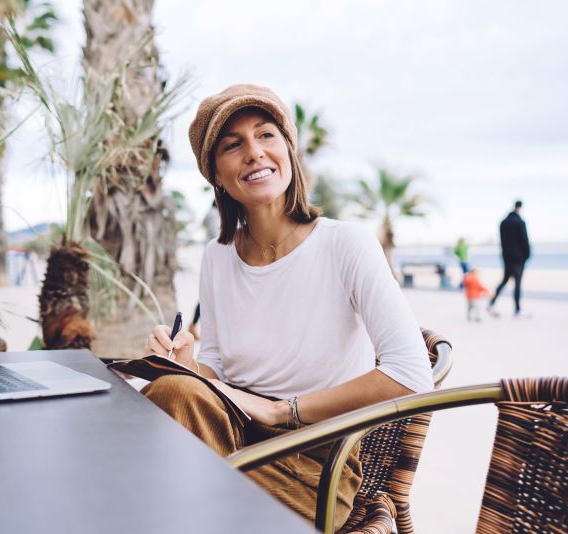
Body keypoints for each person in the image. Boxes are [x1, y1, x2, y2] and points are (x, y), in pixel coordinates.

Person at [142, 84, 432, 529]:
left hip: (314, 464)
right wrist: (186, 364)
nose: (254, 152)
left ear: (289, 152)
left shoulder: (345, 243)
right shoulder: (218, 256)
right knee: (171, 391)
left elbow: (412, 373)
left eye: (266, 135)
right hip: (228, 429)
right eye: (233, 144)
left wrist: (283, 410)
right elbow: (216, 367)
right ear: (216, 175)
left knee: (157, 481)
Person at [488, 200, 530, 317]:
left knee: (505, 280)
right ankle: (517, 309)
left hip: (507, 258)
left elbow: (503, 241)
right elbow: (524, 240)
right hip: (518, 259)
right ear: (520, 207)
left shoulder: (503, 223)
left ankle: (491, 303)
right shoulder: (520, 222)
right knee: (517, 283)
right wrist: (527, 255)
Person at [188, 200, 220, 340]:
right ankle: (194, 326)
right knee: (209, 295)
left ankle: (194, 325)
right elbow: (217, 237)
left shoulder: (211, 214)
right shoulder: (213, 215)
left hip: (212, 259)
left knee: (209, 294)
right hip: (216, 260)